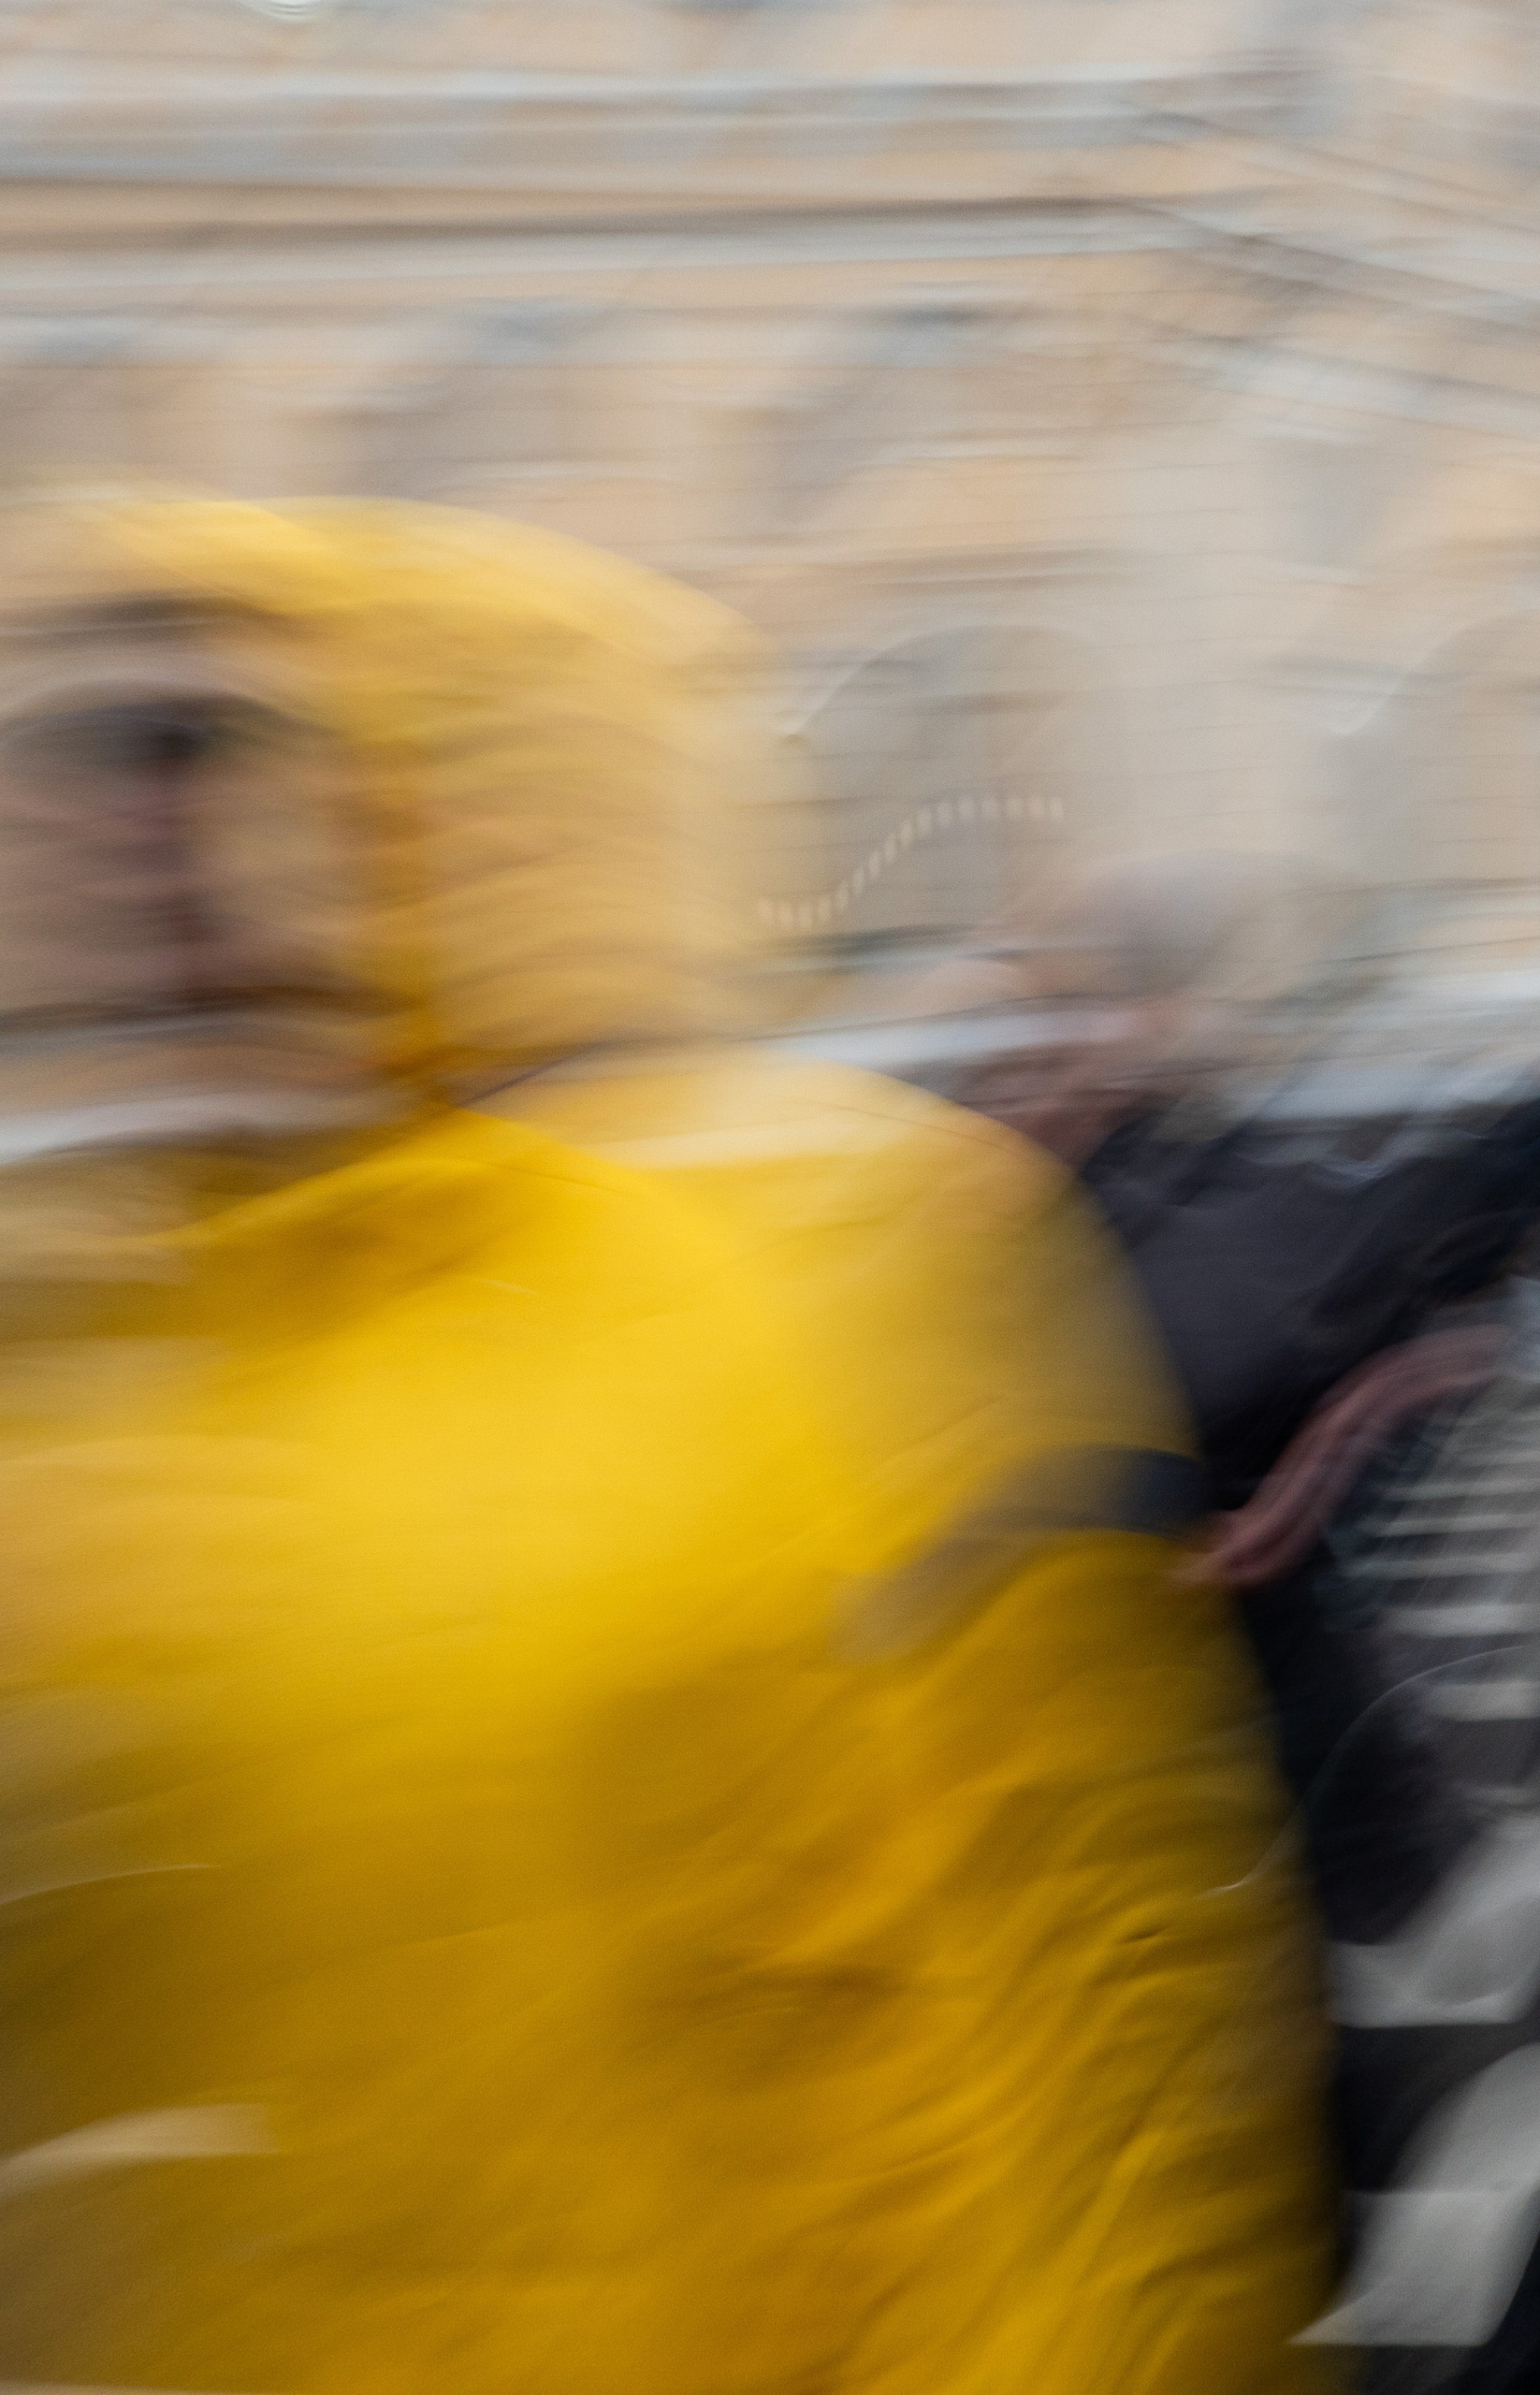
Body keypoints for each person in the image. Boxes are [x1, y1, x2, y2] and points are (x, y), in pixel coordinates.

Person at [0, 492, 1340, 2395]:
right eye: (73, 743)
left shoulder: (817, 1262)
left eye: (209, 738)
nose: (128, 824)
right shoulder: (80, 1340)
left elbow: (1053, 2021)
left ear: (426, 791)